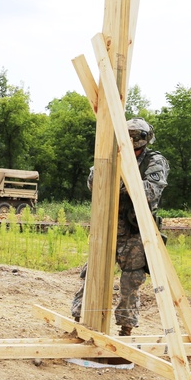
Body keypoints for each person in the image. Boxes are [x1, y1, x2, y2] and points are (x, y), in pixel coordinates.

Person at [70, 118, 169, 336]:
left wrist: (117, 182)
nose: (132, 145)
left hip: (135, 230)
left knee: (131, 281)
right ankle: (79, 319)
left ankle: (126, 329)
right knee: (92, 275)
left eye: (136, 140)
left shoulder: (154, 161)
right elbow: (93, 183)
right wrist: (108, 175)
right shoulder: (111, 154)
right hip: (108, 226)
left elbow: (150, 191)